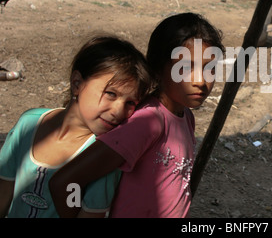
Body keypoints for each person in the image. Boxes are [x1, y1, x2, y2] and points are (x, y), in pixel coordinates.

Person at [50, 12, 224, 218]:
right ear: (158, 69)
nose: (201, 81)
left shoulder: (185, 116)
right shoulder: (147, 122)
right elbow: (66, 182)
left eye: (210, 69)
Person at [0, 35, 151, 218]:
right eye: (111, 94)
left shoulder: (100, 156)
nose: (118, 111)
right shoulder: (28, 124)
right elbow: (4, 193)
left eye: (130, 103)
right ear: (77, 83)